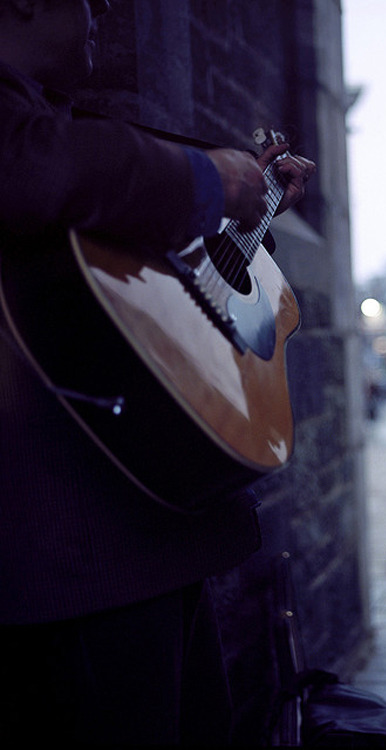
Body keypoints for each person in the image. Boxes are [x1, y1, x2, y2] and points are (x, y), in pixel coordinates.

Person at [0, 0, 315, 745]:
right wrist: (208, 179)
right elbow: (34, 167)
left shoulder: (53, 118)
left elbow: (137, 288)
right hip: (67, 557)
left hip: (137, 534)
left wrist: (243, 196)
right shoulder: (30, 134)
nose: (102, 10)